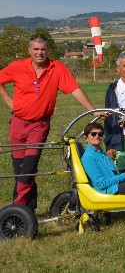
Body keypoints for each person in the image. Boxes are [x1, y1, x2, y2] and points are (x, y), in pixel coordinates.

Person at [0, 34, 105, 212]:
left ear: (48, 50)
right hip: (17, 125)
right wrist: (9, 101)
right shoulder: (17, 67)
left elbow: (74, 89)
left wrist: (92, 109)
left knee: (29, 169)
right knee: (21, 171)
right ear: (29, 50)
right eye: (36, 49)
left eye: (43, 49)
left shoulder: (57, 68)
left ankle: (15, 211)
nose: (40, 53)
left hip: (39, 125)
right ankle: (28, 210)